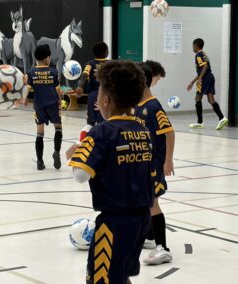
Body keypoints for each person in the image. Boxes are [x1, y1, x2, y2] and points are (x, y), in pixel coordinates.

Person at [66, 61, 154, 284]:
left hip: (114, 222)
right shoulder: (142, 131)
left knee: (101, 278)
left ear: (105, 100)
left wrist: (77, 150)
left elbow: (80, 175)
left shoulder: (102, 132)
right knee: (121, 274)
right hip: (142, 219)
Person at [134, 62, 175, 265]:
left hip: (154, 165)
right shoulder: (138, 105)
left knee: (152, 203)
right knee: (143, 202)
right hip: (141, 164)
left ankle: (163, 248)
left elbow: (169, 132)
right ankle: (149, 238)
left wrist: (168, 160)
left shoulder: (153, 106)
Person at [22, 44, 63, 170]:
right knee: (58, 128)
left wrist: (24, 98)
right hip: (53, 105)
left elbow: (27, 88)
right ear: (47, 58)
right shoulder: (53, 71)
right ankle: (56, 151)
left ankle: (40, 161)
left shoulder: (31, 72)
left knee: (40, 132)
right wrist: (60, 102)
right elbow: (58, 90)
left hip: (39, 106)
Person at [187, 38, 228, 130]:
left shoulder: (198, 55)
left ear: (196, 46)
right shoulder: (204, 54)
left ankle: (199, 122)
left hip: (205, 78)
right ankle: (222, 118)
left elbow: (205, 66)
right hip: (210, 77)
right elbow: (202, 69)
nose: (192, 48)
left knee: (197, 98)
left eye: (193, 46)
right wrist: (192, 82)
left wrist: (200, 78)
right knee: (210, 99)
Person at [76, 42, 109, 126]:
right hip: (107, 95)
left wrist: (80, 86)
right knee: (105, 119)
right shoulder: (111, 64)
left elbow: (84, 74)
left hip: (93, 95)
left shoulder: (90, 64)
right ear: (106, 52)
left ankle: (90, 134)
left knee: (90, 120)